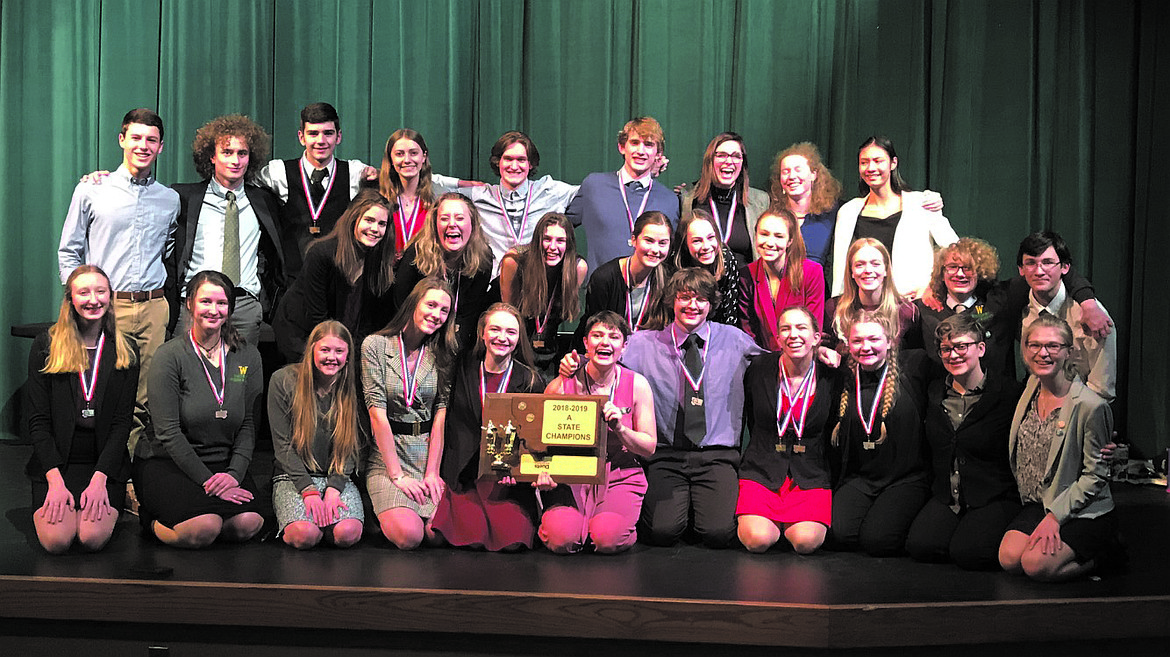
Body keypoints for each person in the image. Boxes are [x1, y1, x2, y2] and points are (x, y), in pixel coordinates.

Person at [57, 109, 178, 452]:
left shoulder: (170, 199)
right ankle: (103, 467)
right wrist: (79, 298)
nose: (143, 145)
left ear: (161, 147)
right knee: (106, 390)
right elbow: (69, 250)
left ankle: (132, 469)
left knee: (146, 396)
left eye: (151, 140)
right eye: (136, 137)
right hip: (107, 307)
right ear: (122, 139)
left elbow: (169, 249)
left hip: (154, 307)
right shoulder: (92, 189)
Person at [618, 268, 767, 547]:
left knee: (717, 534)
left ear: (711, 304)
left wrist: (818, 353)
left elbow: (776, 364)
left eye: (701, 299)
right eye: (684, 297)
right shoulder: (643, 343)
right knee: (661, 533)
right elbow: (604, 362)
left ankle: (697, 508)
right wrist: (574, 365)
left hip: (717, 455)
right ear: (672, 301)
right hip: (666, 455)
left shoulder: (734, 340)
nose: (692, 305)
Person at [133, 270, 265, 548]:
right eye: (206, 301)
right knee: (203, 528)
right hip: (169, 462)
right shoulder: (169, 356)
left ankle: (209, 514)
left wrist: (233, 475)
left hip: (222, 463)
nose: (213, 310)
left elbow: (249, 425)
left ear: (230, 309)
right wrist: (208, 481)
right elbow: (168, 433)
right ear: (190, 304)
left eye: (221, 303)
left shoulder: (248, 355)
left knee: (249, 523)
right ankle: (150, 522)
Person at [25, 266, 139, 553]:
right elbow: (38, 422)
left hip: (103, 464)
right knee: (57, 541)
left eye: (101, 292)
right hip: (58, 463)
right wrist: (54, 480)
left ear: (110, 297)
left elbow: (122, 423)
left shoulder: (126, 349)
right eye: (84, 292)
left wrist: (100, 479)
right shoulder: (46, 345)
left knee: (91, 537)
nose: (93, 300)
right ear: (70, 299)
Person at [999, 314, 1115, 581]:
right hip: (1039, 503)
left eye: (1053, 346)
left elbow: (1095, 476)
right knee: (1009, 559)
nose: (1043, 353)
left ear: (1068, 352)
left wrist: (1054, 517)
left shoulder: (1090, 406)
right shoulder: (1030, 388)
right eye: (1035, 345)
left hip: (1081, 509)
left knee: (1036, 566)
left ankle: (1106, 553)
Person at [905, 313, 1024, 570]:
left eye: (961, 346)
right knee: (921, 546)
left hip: (993, 495)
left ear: (980, 348)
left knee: (970, 553)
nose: (953, 355)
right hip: (948, 497)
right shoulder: (934, 393)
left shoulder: (1009, 394)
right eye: (946, 349)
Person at [540, 311, 657, 554]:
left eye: (614, 337)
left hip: (618, 474)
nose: (605, 342)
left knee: (607, 538)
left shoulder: (637, 384)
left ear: (624, 346)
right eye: (597, 335)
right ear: (585, 343)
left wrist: (620, 429)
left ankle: (609, 525)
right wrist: (543, 472)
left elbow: (649, 447)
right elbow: (541, 443)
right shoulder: (561, 385)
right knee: (561, 538)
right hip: (570, 475)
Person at [431, 304, 545, 551]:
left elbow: (534, 438)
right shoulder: (461, 368)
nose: (502, 337)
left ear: (519, 339)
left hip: (506, 480)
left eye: (511, 332)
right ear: (482, 333)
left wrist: (517, 469)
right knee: (470, 539)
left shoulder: (530, 380)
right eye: (495, 329)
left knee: (512, 543)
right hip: (465, 474)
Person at [916, 237, 1109, 378]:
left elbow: (1059, 273)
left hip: (998, 407)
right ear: (941, 271)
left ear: (980, 270)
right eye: (952, 267)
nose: (960, 274)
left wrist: (1088, 304)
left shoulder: (1000, 298)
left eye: (968, 268)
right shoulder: (923, 309)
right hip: (943, 406)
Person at [169, 114, 285, 346]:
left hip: (244, 307)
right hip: (195, 305)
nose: (235, 160)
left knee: (240, 369)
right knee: (189, 368)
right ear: (212, 156)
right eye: (227, 152)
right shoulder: (184, 197)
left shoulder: (264, 201)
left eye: (242, 153)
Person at [363, 278, 457, 550]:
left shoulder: (444, 351)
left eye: (444, 310)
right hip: (388, 456)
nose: (436, 315)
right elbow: (377, 415)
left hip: (426, 455)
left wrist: (432, 472)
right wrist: (397, 476)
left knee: (437, 535)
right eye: (431, 305)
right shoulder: (375, 346)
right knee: (409, 536)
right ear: (414, 303)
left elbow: (440, 415)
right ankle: (378, 508)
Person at [828, 310, 929, 556]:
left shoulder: (915, 366)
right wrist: (819, 350)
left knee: (878, 541)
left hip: (905, 479)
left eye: (874, 339)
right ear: (848, 344)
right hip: (861, 479)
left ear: (891, 340)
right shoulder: (843, 377)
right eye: (857, 341)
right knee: (839, 533)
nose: (866, 347)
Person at [738, 305, 837, 554]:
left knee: (806, 542)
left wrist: (825, 352)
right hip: (761, 470)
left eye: (801, 328)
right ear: (778, 337)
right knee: (757, 540)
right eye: (786, 329)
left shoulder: (831, 375)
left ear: (816, 337)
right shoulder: (758, 368)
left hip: (810, 473)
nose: (793, 334)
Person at [770, 142, 943, 271]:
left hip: (815, 295)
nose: (792, 176)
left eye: (798, 169)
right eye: (786, 171)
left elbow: (951, 249)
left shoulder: (835, 211)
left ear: (814, 174)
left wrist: (932, 199)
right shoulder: (771, 214)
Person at [268, 321, 365, 550]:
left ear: (348, 356)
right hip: (294, 478)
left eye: (339, 351)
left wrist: (334, 488)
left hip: (335, 477)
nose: (332, 357)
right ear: (312, 349)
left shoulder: (352, 387)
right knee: (305, 536)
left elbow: (351, 447)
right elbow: (282, 446)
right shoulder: (283, 380)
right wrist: (308, 490)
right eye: (325, 350)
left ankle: (327, 526)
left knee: (347, 534)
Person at [256, 102, 378, 280]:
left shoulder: (355, 172)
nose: (321, 141)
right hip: (292, 280)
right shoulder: (278, 172)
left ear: (338, 136)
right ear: (301, 137)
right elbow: (245, 185)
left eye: (328, 133)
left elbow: (389, 183)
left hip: (338, 279)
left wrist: (376, 176)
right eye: (313, 133)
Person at [271, 190, 395, 362]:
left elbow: (367, 322)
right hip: (303, 339)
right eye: (369, 220)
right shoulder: (321, 254)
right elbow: (317, 317)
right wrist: (337, 355)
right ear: (353, 218)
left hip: (342, 347)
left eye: (382, 224)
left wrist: (353, 356)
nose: (375, 229)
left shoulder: (378, 263)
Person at [433, 131, 580, 277]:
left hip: (538, 283)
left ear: (530, 164)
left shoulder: (550, 191)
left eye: (521, 160)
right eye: (508, 159)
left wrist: (569, 221)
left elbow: (590, 189)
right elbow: (431, 185)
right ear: (498, 162)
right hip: (494, 285)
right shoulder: (479, 195)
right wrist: (460, 183)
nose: (514, 166)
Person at [830, 136, 957, 299]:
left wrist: (931, 288)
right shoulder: (848, 212)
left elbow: (955, 251)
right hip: (865, 305)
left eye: (878, 161)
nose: (871, 168)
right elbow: (841, 267)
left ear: (893, 163)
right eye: (864, 162)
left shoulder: (921, 203)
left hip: (914, 304)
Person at [567, 117, 679, 276]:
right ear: (621, 147)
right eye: (634, 143)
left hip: (651, 289)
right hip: (599, 288)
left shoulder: (670, 200)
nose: (640, 151)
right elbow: (562, 228)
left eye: (648, 144)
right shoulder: (594, 186)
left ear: (658, 153)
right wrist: (576, 265)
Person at [1017, 231, 1116, 401]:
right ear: (1021, 269)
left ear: (1065, 267)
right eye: (1031, 263)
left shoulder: (1093, 316)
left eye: (1048, 262)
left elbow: (1101, 389)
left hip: (1080, 407)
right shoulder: (1016, 305)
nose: (1039, 271)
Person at [393, 192, 494, 350]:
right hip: (412, 338)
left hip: (454, 340)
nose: (452, 224)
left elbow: (469, 316)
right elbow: (400, 307)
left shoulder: (483, 258)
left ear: (473, 224)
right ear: (435, 224)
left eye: (459, 218)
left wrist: (452, 350)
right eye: (444, 218)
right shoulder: (416, 255)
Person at [498, 212, 588, 375]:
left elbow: (563, 313)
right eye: (547, 239)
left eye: (560, 240)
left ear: (568, 244)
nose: (552, 247)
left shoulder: (577, 268)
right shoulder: (514, 261)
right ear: (537, 241)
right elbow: (508, 315)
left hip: (550, 352)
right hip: (515, 350)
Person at [573, 211, 671, 349]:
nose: (655, 249)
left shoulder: (669, 281)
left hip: (647, 355)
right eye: (649, 241)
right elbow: (594, 331)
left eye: (662, 243)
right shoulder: (604, 278)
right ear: (634, 240)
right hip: (606, 353)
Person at [738, 207, 825, 350]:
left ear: (790, 241)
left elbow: (813, 328)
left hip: (801, 354)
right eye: (764, 234)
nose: (770, 243)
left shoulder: (812, 272)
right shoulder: (746, 275)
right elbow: (747, 332)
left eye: (778, 236)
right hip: (761, 357)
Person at [677, 132, 770, 265]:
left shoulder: (760, 201)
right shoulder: (688, 199)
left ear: (742, 163)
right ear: (710, 160)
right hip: (701, 277)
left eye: (736, 156)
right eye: (722, 155)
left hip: (745, 278)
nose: (729, 161)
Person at [829, 238, 919, 348]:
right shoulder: (834, 308)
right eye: (859, 265)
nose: (868, 270)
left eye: (875, 264)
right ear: (851, 271)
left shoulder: (907, 311)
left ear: (886, 270)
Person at [666, 209, 740, 326]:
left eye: (711, 238)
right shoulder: (674, 262)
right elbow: (669, 313)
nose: (706, 246)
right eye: (697, 241)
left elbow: (730, 314)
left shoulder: (726, 260)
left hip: (716, 329)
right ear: (685, 244)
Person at [378, 128, 435, 259]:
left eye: (413, 153)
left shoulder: (435, 201)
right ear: (390, 159)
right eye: (399, 154)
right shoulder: (379, 199)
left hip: (424, 269)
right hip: (386, 270)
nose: (407, 160)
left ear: (424, 156)